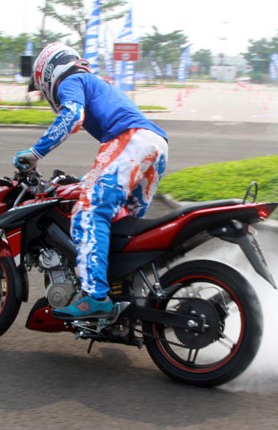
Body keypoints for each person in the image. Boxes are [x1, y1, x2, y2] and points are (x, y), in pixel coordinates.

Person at [13, 42, 169, 320]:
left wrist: (35, 153)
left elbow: (73, 116)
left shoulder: (71, 81)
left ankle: (96, 297)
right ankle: (128, 297)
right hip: (154, 146)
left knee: (87, 211)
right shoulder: (94, 83)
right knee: (125, 230)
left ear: (48, 73)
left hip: (131, 139)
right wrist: (87, 180)